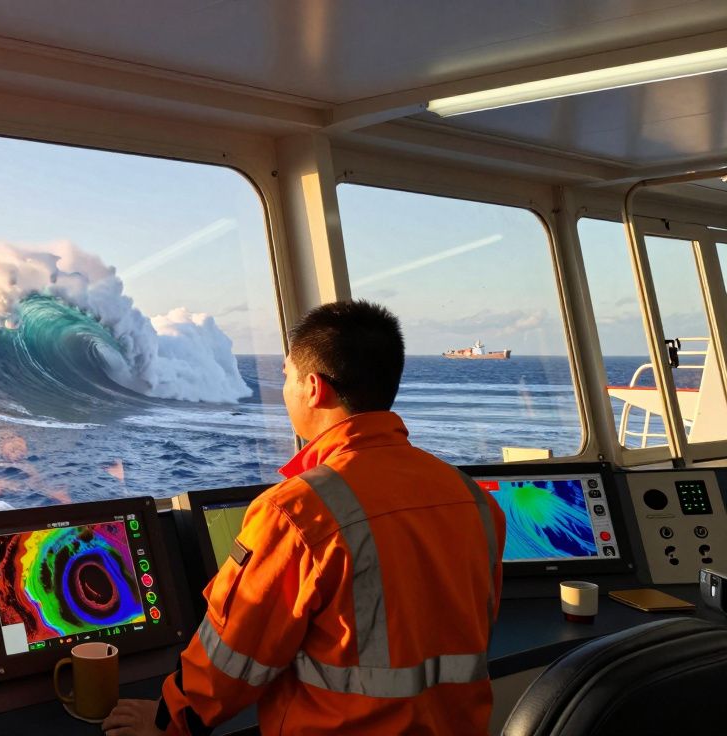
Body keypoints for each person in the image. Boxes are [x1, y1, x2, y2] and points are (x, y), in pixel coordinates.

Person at [103, 300, 506, 735]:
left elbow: (233, 657)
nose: (284, 390)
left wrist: (167, 719)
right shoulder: (472, 499)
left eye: (286, 376)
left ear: (313, 388)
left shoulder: (298, 511)